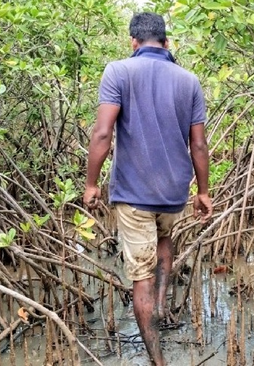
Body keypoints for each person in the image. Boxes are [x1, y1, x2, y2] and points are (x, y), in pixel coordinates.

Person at [83, 12, 212, 366]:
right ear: (167, 43)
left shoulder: (118, 71)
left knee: (140, 273)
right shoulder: (190, 80)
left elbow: (103, 134)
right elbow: (198, 145)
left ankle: (156, 359)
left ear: (133, 43)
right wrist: (203, 192)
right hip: (173, 192)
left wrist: (91, 183)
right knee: (164, 241)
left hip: (134, 193)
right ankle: (160, 304)